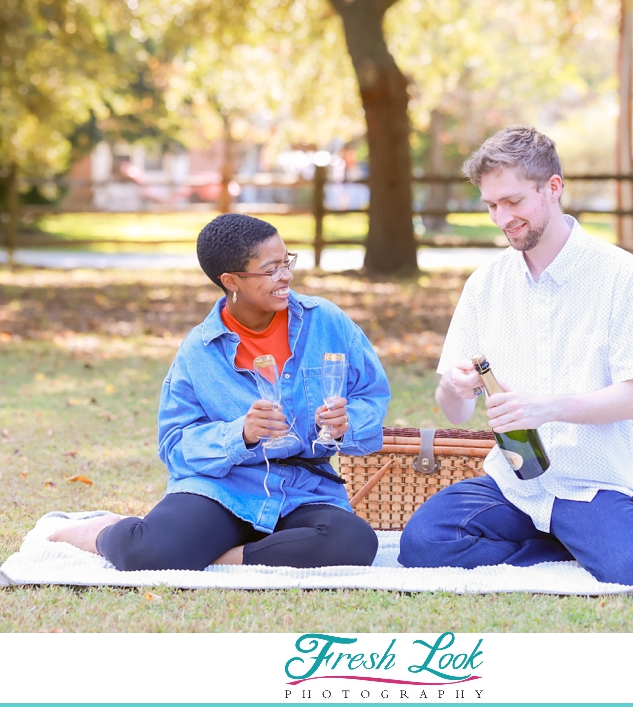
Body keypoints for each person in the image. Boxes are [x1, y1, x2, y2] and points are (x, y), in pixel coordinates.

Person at [397, 126, 633, 584]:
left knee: (631, 567)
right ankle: (571, 544)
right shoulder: (484, 284)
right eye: (491, 205)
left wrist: (546, 408)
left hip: (591, 482)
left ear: (553, 187)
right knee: (422, 545)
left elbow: (632, 400)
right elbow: (455, 408)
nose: (501, 218)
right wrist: (454, 386)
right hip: (513, 484)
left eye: (513, 202)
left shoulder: (620, 275)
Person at [49, 213, 389, 570]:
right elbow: (175, 446)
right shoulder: (199, 350)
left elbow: (371, 395)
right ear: (231, 281)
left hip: (305, 492)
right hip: (223, 489)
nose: (286, 275)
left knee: (355, 543)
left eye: (287, 262)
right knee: (146, 553)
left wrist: (347, 423)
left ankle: (222, 557)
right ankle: (102, 531)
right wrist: (239, 434)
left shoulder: (327, 321)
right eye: (271, 269)